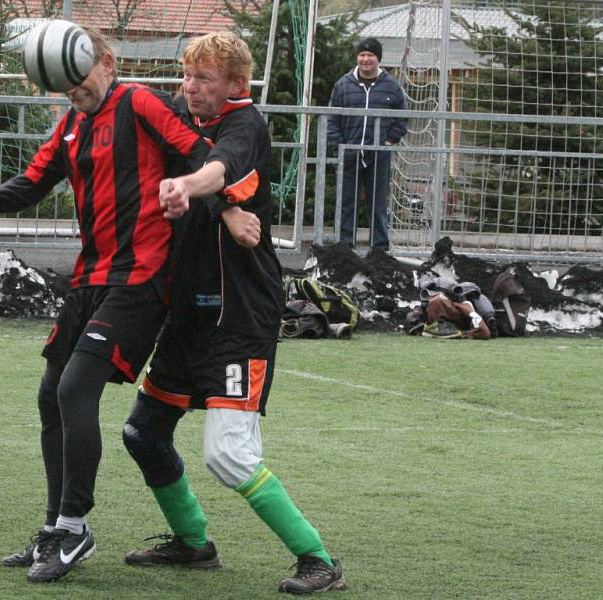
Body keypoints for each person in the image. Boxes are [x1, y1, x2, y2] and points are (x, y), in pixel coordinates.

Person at [0, 28, 208, 583]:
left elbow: (201, 153)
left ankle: (75, 527)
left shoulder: (138, 102)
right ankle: (54, 530)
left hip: (141, 279)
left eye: (79, 81)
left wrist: (203, 197)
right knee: (49, 395)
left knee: (73, 390)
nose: (74, 93)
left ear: (105, 62)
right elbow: (34, 182)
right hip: (91, 279)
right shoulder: (72, 125)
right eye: (63, 87)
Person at [121, 32, 346, 595]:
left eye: (203, 79)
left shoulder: (248, 125)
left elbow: (216, 169)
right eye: (186, 74)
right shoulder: (183, 112)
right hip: (188, 312)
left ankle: (319, 561)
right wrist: (222, 210)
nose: (189, 87)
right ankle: (193, 544)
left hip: (239, 313)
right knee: (143, 432)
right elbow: (157, 134)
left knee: (227, 454)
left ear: (236, 86)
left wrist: (193, 190)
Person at [327, 37, 408, 251]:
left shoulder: (391, 86)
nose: (365, 59)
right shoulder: (343, 85)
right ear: (357, 58)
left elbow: (403, 117)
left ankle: (379, 249)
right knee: (347, 203)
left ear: (378, 59)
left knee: (378, 204)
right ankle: (345, 248)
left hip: (379, 156)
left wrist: (389, 141)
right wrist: (339, 145)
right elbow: (332, 118)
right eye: (362, 55)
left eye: (370, 55)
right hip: (349, 153)